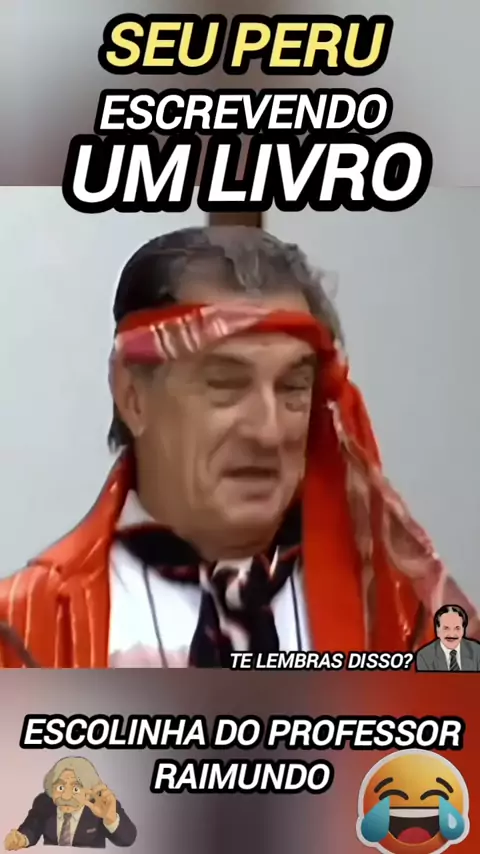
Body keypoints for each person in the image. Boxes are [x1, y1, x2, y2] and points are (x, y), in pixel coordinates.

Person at [0, 226, 478, 668]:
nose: (269, 432)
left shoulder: (409, 618)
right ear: (133, 396)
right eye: (226, 385)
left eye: (293, 388)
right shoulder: (26, 633)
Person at [4, 756, 137, 848]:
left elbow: (127, 839)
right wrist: (21, 839)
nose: (66, 797)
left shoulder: (101, 805)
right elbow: (32, 828)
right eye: (60, 788)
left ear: (90, 790)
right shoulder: (44, 803)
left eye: (76, 789)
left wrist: (110, 818)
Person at [415, 604, 480, 671]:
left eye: (457, 628)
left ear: (463, 630)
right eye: (446, 628)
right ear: (437, 630)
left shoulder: (477, 651)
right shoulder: (425, 656)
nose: (451, 634)